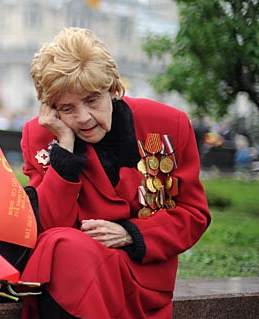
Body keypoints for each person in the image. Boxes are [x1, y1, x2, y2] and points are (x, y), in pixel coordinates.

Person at [19, 27, 211, 319]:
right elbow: (47, 228)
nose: (83, 118)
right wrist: (64, 153)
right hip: (72, 272)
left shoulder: (168, 124)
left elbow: (194, 214)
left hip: (143, 275)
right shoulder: (39, 135)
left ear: (114, 89)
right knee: (61, 246)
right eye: (68, 107)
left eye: (92, 100)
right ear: (52, 109)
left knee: (63, 249)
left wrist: (130, 234)